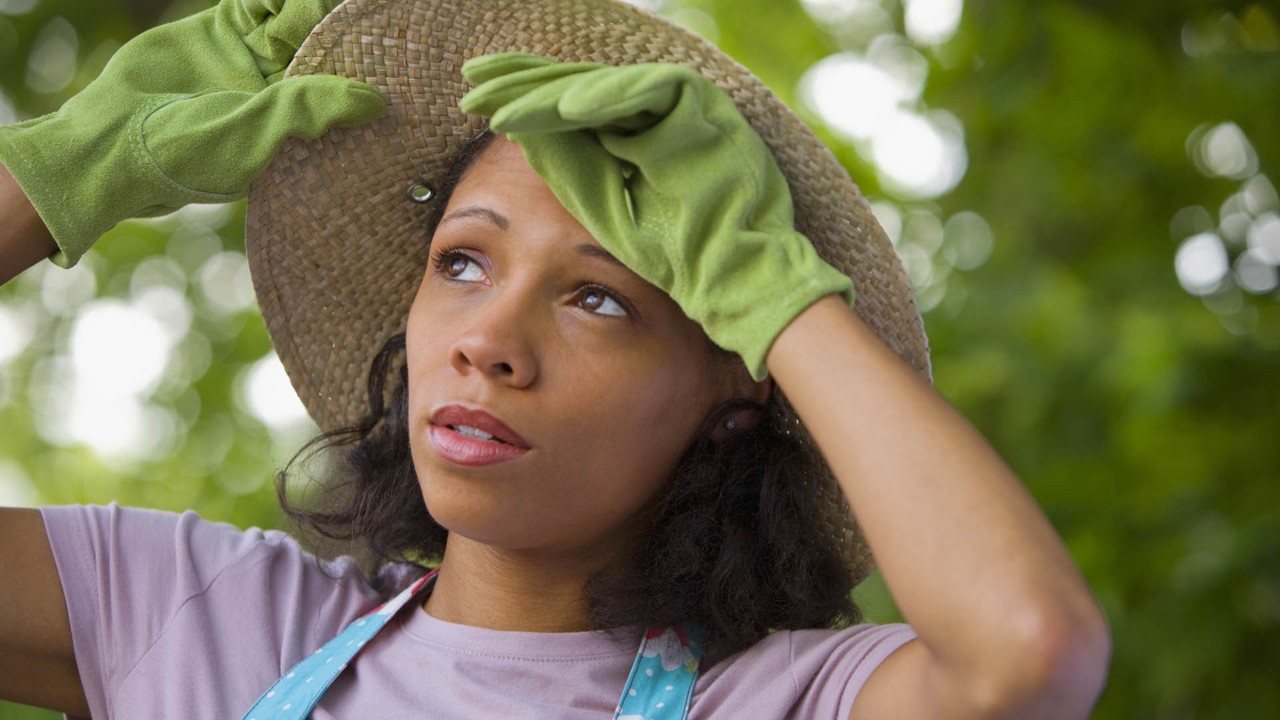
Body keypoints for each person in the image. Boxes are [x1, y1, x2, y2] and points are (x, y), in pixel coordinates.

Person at [0, 0, 1111, 718]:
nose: (486, 344)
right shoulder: (206, 622)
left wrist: (775, 300)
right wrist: (50, 181)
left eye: (597, 298)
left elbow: (1028, 650)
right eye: (463, 265)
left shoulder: (786, 700)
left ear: (733, 391)